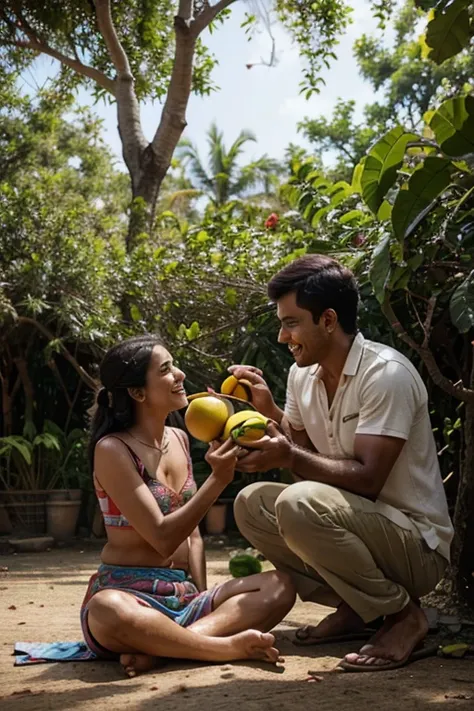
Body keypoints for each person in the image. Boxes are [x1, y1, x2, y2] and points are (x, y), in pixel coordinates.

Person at [231, 255, 453, 673]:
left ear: (329, 320)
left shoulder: (385, 375)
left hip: (416, 546)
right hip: (359, 526)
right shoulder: (303, 376)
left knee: (298, 504)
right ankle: (360, 608)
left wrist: (290, 454)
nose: (283, 337)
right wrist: (267, 411)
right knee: (251, 503)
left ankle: (405, 616)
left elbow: (367, 480)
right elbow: (299, 451)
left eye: (292, 323)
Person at [82, 334, 296, 677]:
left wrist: (201, 593)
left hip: (183, 596)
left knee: (280, 585)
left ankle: (163, 649)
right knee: (106, 609)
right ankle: (222, 646)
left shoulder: (179, 438)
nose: (179, 374)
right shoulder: (112, 449)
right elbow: (163, 539)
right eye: (166, 369)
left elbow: (192, 535)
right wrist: (218, 480)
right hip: (130, 596)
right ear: (138, 393)